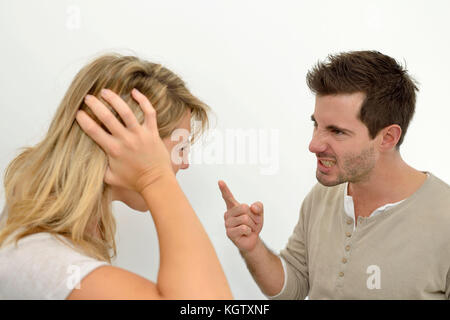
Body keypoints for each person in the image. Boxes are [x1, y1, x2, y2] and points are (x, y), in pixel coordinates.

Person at [219, 50, 450, 299]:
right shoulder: (322, 195)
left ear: (387, 137)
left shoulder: (443, 219)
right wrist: (252, 247)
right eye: (316, 124)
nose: (314, 144)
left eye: (337, 132)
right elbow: (296, 286)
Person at [0, 53, 233, 299]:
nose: (184, 163)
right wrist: (154, 177)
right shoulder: (42, 261)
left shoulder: (50, 248)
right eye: (180, 147)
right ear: (123, 142)